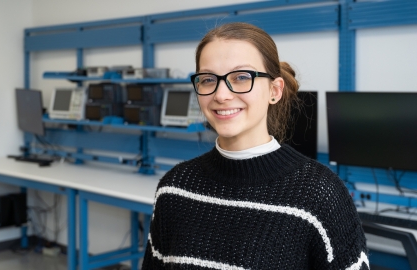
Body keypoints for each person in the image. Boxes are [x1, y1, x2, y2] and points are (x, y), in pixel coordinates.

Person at [142, 22, 369, 270]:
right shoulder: (174, 188)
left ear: (274, 90)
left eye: (241, 77)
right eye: (208, 79)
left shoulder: (319, 193)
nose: (221, 94)